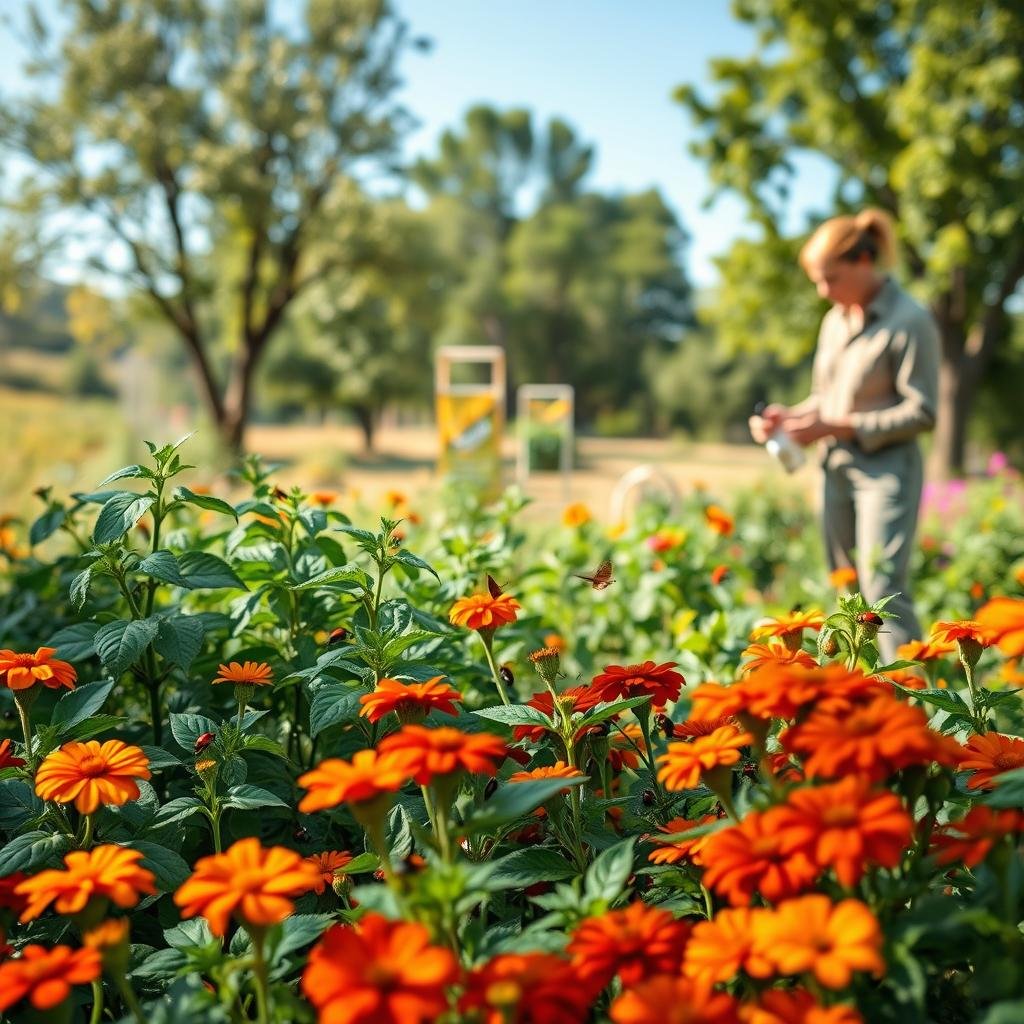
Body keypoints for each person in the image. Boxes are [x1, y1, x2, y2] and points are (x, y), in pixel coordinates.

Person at [749, 209, 940, 661]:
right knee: (845, 587)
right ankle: (858, 698)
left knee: (883, 593)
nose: (823, 291)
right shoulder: (834, 320)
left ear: (862, 260)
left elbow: (923, 412)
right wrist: (789, 417)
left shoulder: (911, 320)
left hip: (886, 472)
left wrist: (836, 426)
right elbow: (825, 397)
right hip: (835, 468)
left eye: (829, 278)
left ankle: (912, 704)